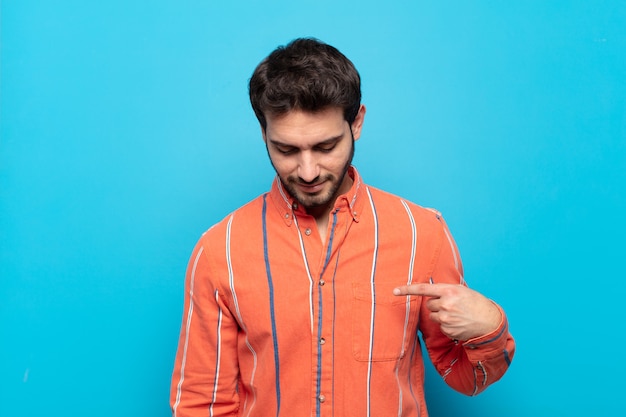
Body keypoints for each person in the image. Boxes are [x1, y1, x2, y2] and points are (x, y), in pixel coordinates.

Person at [170, 37, 515, 417]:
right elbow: (201, 404)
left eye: (325, 146)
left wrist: (490, 328)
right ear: (263, 134)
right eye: (286, 150)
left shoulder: (422, 233)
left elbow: (465, 377)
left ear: (357, 123)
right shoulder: (221, 250)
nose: (308, 171)